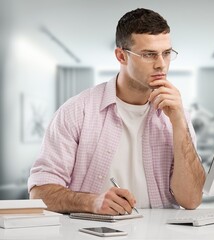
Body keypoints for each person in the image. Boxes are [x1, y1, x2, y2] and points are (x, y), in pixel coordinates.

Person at [28, 8, 205, 214]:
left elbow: (191, 200)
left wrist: (179, 123)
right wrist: (91, 202)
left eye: (166, 53)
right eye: (149, 54)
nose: (161, 65)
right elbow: (40, 193)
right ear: (121, 56)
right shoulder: (76, 112)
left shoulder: (177, 114)